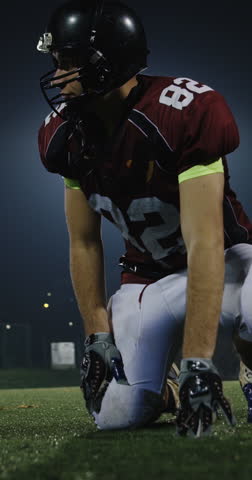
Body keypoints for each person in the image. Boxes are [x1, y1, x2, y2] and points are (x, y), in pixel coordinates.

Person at [37, 0, 252, 436]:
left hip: (227, 265)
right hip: (147, 280)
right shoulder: (64, 135)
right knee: (116, 414)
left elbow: (206, 243)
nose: (58, 74)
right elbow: (84, 242)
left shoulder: (183, 112)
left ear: (108, 62)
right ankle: (164, 388)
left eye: (70, 61)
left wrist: (199, 359)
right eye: (57, 61)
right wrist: (97, 334)